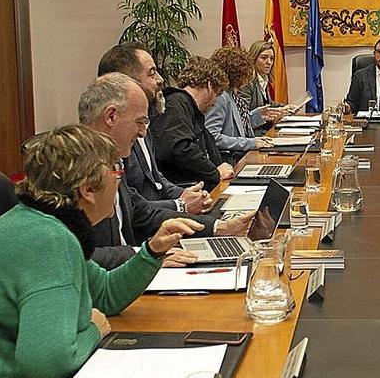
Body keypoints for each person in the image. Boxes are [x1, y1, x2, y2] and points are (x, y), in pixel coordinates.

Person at [0, 124, 203, 377]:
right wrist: (93, 330)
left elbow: (106, 294)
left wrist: (152, 252)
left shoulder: (44, 223)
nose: (119, 183)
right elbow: (45, 365)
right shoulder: (48, 239)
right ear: (87, 189)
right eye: (116, 173)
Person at [79, 73, 252, 269]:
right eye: (139, 122)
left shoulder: (112, 160)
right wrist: (145, 256)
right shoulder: (71, 170)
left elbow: (143, 212)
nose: (144, 132)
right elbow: (76, 257)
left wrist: (218, 228)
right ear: (111, 116)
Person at [98, 41, 212, 214]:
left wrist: (187, 195)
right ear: (125, 80)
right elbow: (130, 206)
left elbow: (156, 180)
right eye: (152, 73)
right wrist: (179, 205)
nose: (160, 80)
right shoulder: (115, 135)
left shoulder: (146, 122)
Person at [150, 56, 239, 191]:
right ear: (209, 85)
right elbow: (179, 148)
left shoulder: (187, 107)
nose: (214, 102)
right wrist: (214, 173)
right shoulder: (176, 103)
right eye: (217, 93)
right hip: (187, 190)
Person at [207, 46, 276, 164]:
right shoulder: (221, 97)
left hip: (243, 156)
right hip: (231, 162)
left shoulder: (232, 95)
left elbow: (237, 126)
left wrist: (258, 116)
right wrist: (250, 143)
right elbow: (211, 137)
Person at [238, 40, 288, 135]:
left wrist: (285, 108)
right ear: (253, 58)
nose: (269, 62)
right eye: (264, 58)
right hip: (253, 135)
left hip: (265, 132)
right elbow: (241, 118)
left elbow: (267, 104)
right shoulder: (247, 83)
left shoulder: (264, 78)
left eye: (272, 58)